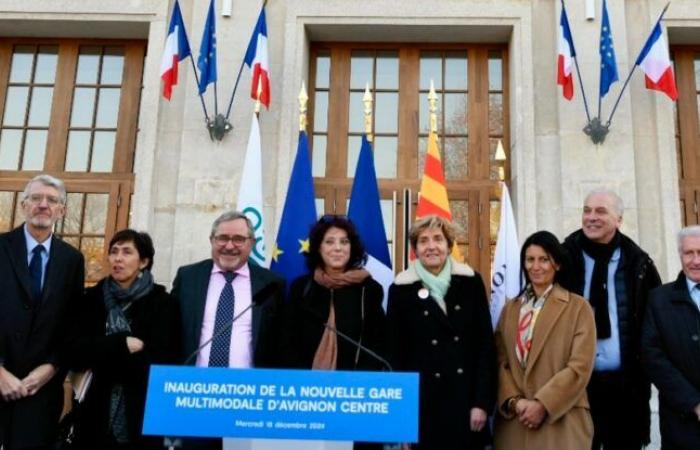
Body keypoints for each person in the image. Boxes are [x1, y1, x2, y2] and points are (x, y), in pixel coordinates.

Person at [172, 210, 285, 450]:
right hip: (193, 397)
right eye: (222, 238)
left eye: (239, 239)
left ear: (251, 244)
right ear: (212, 240)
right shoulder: (188, 276)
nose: (229, 246)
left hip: (250, 400)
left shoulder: (272, 284)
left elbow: (280, 344)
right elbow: (172, 331)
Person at [562, 188, 661, 450]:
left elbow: (655, 325)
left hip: (626, 388)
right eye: (586, 210)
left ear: (619, 219)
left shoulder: (639, 263)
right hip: (576, 387)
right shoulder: (563, 259)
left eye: (600, 211)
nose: (591, 217)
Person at [386, 215, 496, 450]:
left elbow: (485, 346)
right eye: (423, 241)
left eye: (438, 239)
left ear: (449, 245)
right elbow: (395, 356)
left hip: (466, 404)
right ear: (415, 249)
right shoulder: (400, 289)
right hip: (422, 407)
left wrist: (481, 403)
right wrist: (401, 420)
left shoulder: (471, 282)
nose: (431, 246)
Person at [66, 229, 180, 449]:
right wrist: (121, 345)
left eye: (127, 252)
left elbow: (163, 360)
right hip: (93, 411)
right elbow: (74, 353)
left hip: (141, 413)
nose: (118, 258)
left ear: (144, 261)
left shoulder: (163, 304)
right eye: (114, 252)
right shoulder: (90, 299)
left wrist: (102, 355)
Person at [0, 174, 85, 450]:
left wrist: (51, 368)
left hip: (40, 392)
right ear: (24, 205)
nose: (43, 205)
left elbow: (72, 322)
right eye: (36, 198)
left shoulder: (72, 260)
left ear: (62, 210)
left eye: (52, 200)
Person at [494, 230, 596, 450]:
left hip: (561, 420)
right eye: (530, 260)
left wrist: (543, 404)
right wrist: (515, 401)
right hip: (515, 423)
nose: (536, 266)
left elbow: (580, 366)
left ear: (557, 265)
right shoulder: (510, 310)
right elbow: (500, 362)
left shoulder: (578, 308)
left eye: (544, 259)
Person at [284, 215, 386, 370]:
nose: (337, 248)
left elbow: (378, 343)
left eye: (344, 242)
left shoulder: (369, 289)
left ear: (352, 248)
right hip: (304, 386)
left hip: (355, 386)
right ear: (319, 248)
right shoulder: (302, 287)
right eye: (329, 242)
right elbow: (287, 341)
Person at [642, 225, 700, 449]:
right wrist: (693, 402)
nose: (695, 260)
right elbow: (652, 356)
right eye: (689, 253)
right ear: (680, 255)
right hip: (681, 423)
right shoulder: (659, 300)